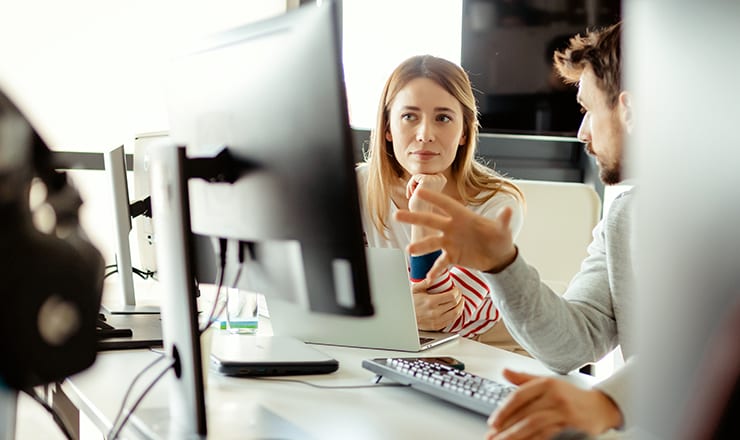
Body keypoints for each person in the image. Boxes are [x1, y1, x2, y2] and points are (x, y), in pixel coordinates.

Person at [395, 23, 634, 438]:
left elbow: (710, 348)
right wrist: (502, 264)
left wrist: (609, 400)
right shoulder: (624, 217)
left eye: (587, 110)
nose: (582, 134)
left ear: (629, 111)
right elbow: (572, 344)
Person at [356, 54, 526, 343]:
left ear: (463, 131)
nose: (425, 134)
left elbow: (443, 317)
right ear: (387, 128)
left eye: (443, 118)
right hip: (388, 338)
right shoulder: (354, 187)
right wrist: (397, 312)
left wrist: (424, 210)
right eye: (409, 116)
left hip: (483, 346)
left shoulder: (497, 203)